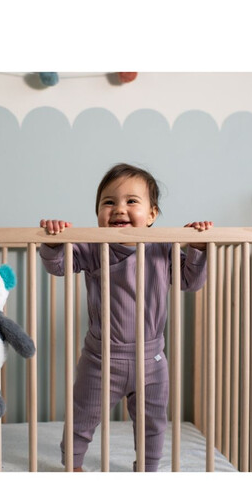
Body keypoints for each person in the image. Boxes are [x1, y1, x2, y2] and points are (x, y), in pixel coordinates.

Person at [39, 163, 213, 471]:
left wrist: (198, 246)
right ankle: (73, 466)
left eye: (132, 201)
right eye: (109, 202)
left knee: (153, 423)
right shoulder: (94, 248)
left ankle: (147, 468)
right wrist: (53, 241)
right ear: (98, 214)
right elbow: (59, 266)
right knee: (83, 415)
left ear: (152, 214)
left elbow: (191, 281)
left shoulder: (163, 249)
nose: (119, 209)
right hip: (100, 359)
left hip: (152, 360)